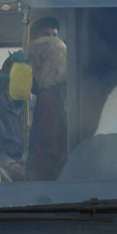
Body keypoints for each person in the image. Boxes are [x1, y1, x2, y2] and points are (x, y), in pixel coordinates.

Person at [26, 35, 69, 180]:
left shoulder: (47, 98)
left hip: (49, 184)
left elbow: (47, 147)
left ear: (41, 65)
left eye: (33, 65)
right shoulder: (69, 92)